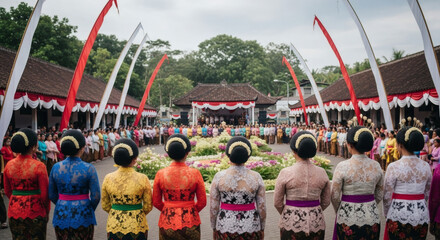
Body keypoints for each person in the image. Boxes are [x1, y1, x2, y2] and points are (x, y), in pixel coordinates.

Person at [274, 131, 331, 239]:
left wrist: (288, 210)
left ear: (293, 150)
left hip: (291, 220)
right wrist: (314, 209)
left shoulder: (286, 172)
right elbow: (326, 201)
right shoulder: (322, 172)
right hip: (316, 220)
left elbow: (277, 202)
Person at [331, 126, 383, 240]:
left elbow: (334, 195)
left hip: (347, 215)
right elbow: (380, 193)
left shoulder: (342, 166)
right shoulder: (376, 166)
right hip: (371, 215)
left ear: (350, 145)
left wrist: (339, 209)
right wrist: (369, 203)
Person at [210, 137, 266, 239]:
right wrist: (262, 227)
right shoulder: (256, 177)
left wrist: (213, 227)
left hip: (225, 225)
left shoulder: (219, 176)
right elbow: (262, 207)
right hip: (250, 225)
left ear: (228, 155)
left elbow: (213, 207)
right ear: (248, 156)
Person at [153, 134, 207, 239]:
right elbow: (202, 202)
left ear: (169, 154)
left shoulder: (161, 174)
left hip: (167, 220)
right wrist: (190, 209)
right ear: (187, 153)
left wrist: (169, 208)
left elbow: (156, 202)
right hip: (190, 220)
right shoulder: (195, 173)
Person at [49, 130, 100, 239]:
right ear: (82, 148)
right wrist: (88, 208)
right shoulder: (89, 168)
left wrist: (62, 201)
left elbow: (52, 194)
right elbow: (96, 197)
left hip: (61, 212)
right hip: (83, 212)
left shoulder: (56, 167)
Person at [384, 127, 431, 239]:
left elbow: (386, 196)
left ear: (400, 145)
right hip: (420, 213)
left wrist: (387, 213)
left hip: (398, 213)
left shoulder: (393, 167)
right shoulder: (426, 166)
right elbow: (427, 193)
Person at [4, 128, 50, 239]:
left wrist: (18, 198)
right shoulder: (39, 166)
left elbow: (7, 191)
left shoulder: (9, 165)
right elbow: (45, 194)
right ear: (34, 146)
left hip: (14, 210)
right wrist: (47, 211)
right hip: (36, 211)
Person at [102, 138, 152, 239]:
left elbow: (105, 205)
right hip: (137, 224)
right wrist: (136, 211)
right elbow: (148, 206)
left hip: (115, 223)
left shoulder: (108, 178)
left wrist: (117, 210)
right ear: (134, 159)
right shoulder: (143, 178)